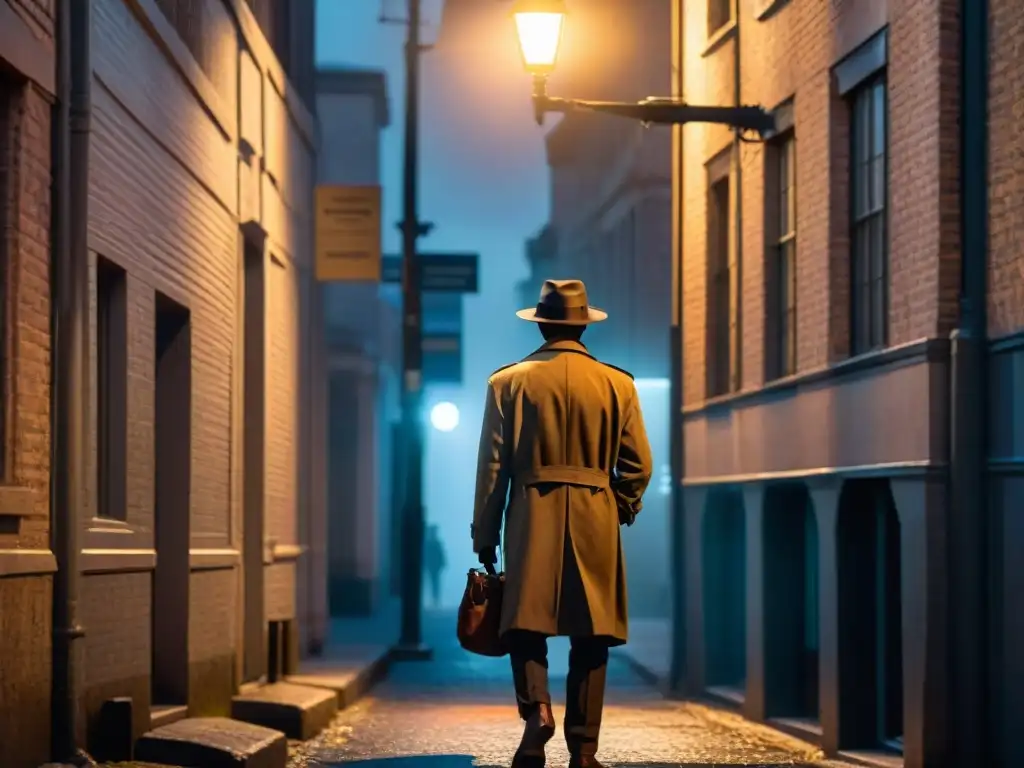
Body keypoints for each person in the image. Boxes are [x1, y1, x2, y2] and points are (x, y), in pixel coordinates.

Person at [471, 279, 653, 768]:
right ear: (581, 325)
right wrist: (620, 505)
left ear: (543, 324)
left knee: (524, 622)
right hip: (595, 509)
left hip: (532, 510)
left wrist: (485, 534)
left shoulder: (507, 383)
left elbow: (492, 468)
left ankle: (538, 714)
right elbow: (638, 466)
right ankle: (584, 748)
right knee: (592, 633)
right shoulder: (619, 384)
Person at [423, 523, 447, 609]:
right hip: (432, 566)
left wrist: (443, 563)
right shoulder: (431, 543)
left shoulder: (434, 543)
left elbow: (441, 555)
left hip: (435, 567)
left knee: (435, 583)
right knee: (433, 583)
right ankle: (433, 599)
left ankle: (435, 599)